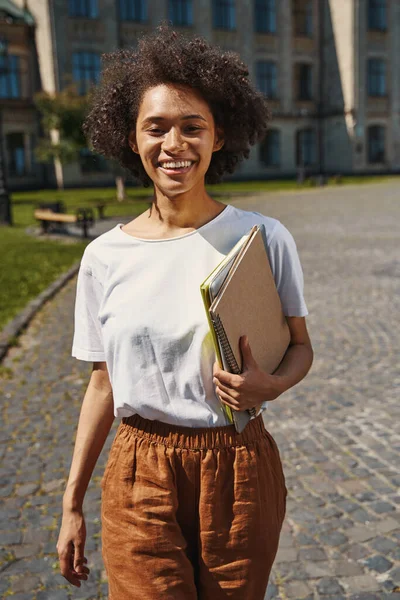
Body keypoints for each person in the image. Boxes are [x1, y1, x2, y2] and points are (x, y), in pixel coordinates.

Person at [57, 25, 313, 600]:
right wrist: (71, 502)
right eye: (157, 127)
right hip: (139, 468)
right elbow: (102, 381)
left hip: (238, 466)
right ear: (132, 138)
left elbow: (301, 347)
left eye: (192, 126)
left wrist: (267, 386)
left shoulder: (263, 238)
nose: (175, 143)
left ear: (219, 137)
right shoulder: (103, 256)